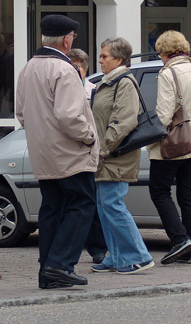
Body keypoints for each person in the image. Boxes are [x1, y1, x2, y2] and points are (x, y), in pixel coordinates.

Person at [15, 14, 99, 290]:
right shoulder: (64, 70)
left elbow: (21, 113)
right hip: (69, 152)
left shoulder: (28, 68)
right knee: (82, 204)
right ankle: (60, 264)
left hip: (43, 151)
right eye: (72, 37)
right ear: (66, 39)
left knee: (52, 207)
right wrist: (89, 137)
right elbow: (69, 116)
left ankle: (48, 269)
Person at [147, 30, 191, 265]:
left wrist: (151, 140)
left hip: (172, 145)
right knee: (188, 193)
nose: (160, 58)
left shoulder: (168, 73)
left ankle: (179, 240)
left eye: (159, 53)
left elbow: (164, 114)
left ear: (165, 52)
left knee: (159, 191)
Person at [89, 37, 154, 275]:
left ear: (119, 59)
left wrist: (104, 149)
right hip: (106, 155)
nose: (100, 60)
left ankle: (138, 256)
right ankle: (117, 257)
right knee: (105, 206)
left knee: (112, 205)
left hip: (115, 154)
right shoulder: (107, 83)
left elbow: (123, 121)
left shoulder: (124, 83)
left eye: (105, 56)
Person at [68, 48, 107, 265]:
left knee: (92, 201)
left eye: (78, 68)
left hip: (90, 150)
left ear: (85, 70)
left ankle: (98, 247)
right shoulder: (63, 90)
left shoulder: (94, 91)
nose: (75, 72)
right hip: (69, 153)